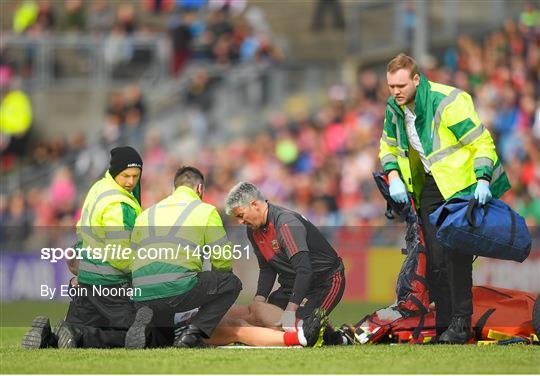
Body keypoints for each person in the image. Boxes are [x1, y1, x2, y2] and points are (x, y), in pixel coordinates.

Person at [379, 53, 510, 343]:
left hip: (460, 187)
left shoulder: (449, 101)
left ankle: (461, 324)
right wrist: (393, 176)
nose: (396, 91)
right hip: (428, 186)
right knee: (435, 257)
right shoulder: (394, 109)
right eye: (391, 86)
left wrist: (484, 179)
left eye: (401, 85)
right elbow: (387, 146)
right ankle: (444, 324)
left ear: (416, 79)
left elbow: (481, 143)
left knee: (456, 256)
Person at [22, 146, 144, 349]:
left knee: (67, 337)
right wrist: (144, 269)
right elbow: (120, 256)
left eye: (135, 176)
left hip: (86, 283)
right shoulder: (120, 204)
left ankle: (47, 337)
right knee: (135, 335)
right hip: (111, 285)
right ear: (115, 173)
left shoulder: (98, 190)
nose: (131, 181)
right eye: (126, 176)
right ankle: (78, 334)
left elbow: (82, 230)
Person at [125, 166, 242, 348]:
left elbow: (131, 259)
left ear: (174, 189)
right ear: (200, 189)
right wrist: (217, 281)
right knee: (231, 283)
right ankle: (193, 332)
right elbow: (222, 259)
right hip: (178, 288)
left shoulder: (146, 214)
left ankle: (146, 323)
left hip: (142, 292)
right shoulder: (206, 211)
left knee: (164, 337)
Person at [224, 182, 346, 338]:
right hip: (292, 285)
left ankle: (340, 336)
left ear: (254, 204)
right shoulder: (253, 230)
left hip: (324, 282)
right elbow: (267, 269)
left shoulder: (286, 224)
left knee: (303, 331)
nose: (240, 222)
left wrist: (290, 310)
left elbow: (305, 270)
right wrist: (259, 300)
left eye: (240, 215)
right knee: (261, 319)